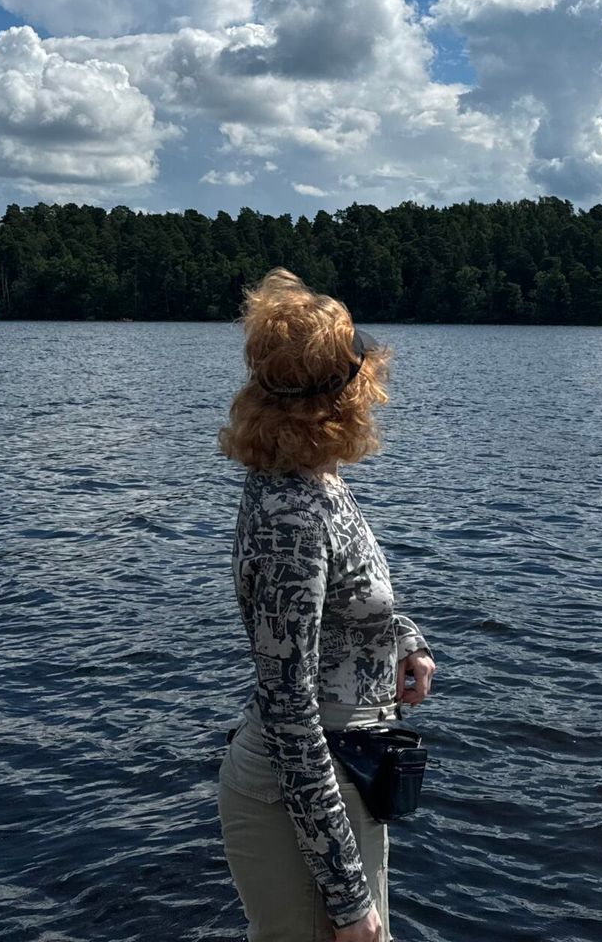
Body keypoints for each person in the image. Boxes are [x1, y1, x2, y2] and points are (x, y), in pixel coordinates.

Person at [216, 268, 437, 942]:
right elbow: (287, 711)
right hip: (307, 796)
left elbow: (352, 599)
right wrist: (347, 898)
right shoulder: (292, 515)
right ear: (344, 394)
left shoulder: (313, 484)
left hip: (342, 778)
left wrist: (407, 644)